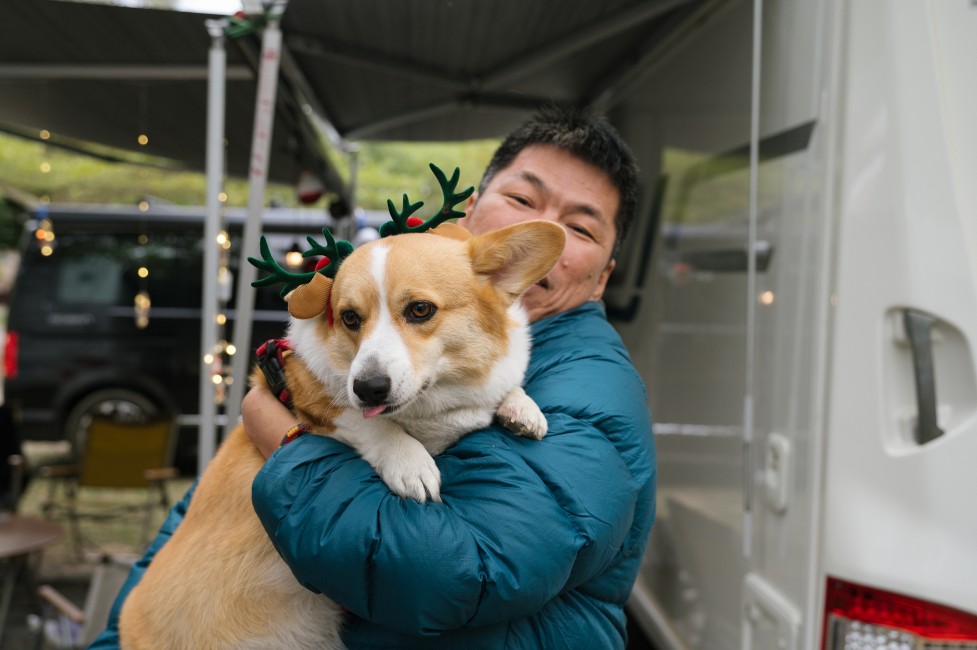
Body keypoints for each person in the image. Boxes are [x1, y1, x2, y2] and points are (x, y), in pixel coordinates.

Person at [91, 105, 656, 650]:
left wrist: (287, 441)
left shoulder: (592, 395)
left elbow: (447, 577)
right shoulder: (378, 319)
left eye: (580, 228)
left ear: (603, 277)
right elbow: (188, 528)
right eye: (522, 198)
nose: (538, 227)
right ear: (471, 209)